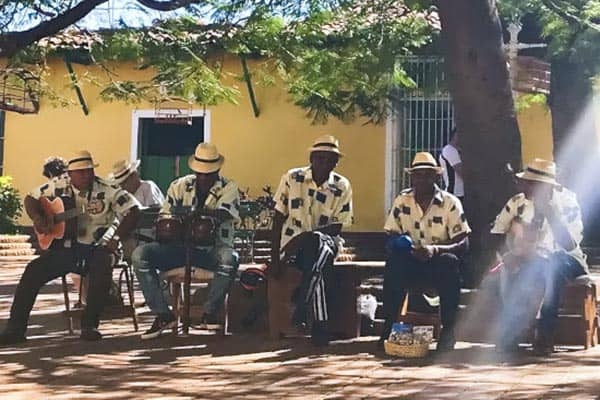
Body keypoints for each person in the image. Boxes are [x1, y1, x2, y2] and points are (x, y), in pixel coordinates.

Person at [0, 150, 140, 345]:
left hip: (98, 248)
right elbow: (30, 199)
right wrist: (39, 218)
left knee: (103, 264)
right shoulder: (59, 185)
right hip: (66, 249)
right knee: (33, 270)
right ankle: (15, 329)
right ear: (70, 174)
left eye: (89, 171)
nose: (86, 175)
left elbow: (133, 210)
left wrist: (116, 237)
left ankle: (90, 325)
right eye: (80, 172)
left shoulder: (108, 189)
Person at [131, 142, 241, 340]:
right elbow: (165, 214)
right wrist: (167, 227)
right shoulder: (178, 185)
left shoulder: (229, 187)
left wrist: (196, 214)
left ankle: (210, 313)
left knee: (230, 258)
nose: (204, 177)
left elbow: (224, 213)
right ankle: (163, 314)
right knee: (140, 255)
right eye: (201, 173)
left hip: (212, 250)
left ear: (217, 170)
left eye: (209, 173)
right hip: (178, 248)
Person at [490, 158, 588, 355]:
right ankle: (512, 332)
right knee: (512, 273)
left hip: (566, 258)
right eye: (523, 181)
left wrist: (549, 212)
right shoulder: (518, 202)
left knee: (550, 268)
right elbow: (496, 232)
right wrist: (505, 256)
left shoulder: (567, 201)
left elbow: (569, 244)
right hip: (531, 257)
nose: (522, 185)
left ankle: (545, 333)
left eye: (529, 182)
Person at [379, 152, 470, 352]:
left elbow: (463, 241)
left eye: (427, 175)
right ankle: (388, 327)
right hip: (411, 260)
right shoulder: (402, 201)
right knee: (394, 264)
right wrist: (400, 245)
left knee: (450, 263)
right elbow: (390, 234)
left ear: (436, 177)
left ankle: (448, 331)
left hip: (438, 261)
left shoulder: (450, 202)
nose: (422, 179)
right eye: (418, 175)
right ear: (412, 177)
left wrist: (434, 250)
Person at [270, 134, 354, 346]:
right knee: (317, 266)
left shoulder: (342, 185)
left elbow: (337, 226)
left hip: (328, 242)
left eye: (330, 160)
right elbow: (278, 217)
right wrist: (275, 257)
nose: (324, 164)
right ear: (311, 158)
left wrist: (304, 238)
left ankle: (303, 303)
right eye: (320, 159)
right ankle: (319, 324)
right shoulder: (292, 177)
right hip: (295, 250)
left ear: (336, 163)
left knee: (318, 242)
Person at [108, 159, 165, 257]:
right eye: (121, 184)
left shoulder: (147, 187)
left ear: (134, 176)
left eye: (125, 182)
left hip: (148, 237)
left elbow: (154, 212)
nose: (123, 186)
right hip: (127, 237)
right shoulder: (122, 195)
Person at [439, 128, 464, 202]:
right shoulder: (449, 150)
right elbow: (462, 172)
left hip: (462, 193)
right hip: (455, 193)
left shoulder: (458, 150)